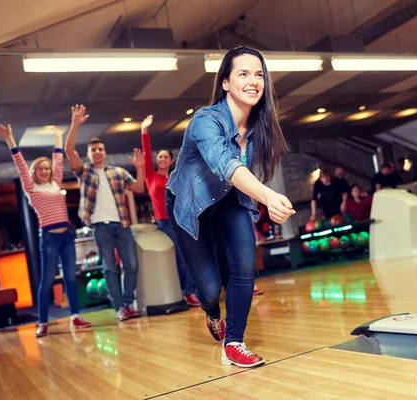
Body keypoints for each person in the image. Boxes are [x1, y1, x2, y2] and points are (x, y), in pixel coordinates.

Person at [165, 46, 295, 368]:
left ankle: (234, 341)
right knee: (209, 289)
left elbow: (241, 176)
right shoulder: (204, 122)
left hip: (229, 202)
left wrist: (262, 197)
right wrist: (267, 196)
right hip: (189, 206)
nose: (253, 81)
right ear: (225, 82)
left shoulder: (257, 129)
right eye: (243, 74)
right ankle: (211, 313)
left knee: (244, 266)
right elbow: (225, 164)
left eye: (259, 74)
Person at [0, 122, 91, 337]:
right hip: (48, 237)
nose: (46, 171)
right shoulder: (31, 188)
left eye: (47, 168)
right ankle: (43, 322)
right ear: (35, 172)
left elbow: (58, 158)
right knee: (46, 281)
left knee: (70, 278)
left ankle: (75, 316)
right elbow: (19, 163)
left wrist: (58, 137)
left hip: (66, 235)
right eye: (41, 169)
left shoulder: (56, 183)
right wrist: (9, 138)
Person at [65, 104, 145, 321]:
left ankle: (128, 304)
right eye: (93, 150)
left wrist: (139, 167)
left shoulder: (118, 173)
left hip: (122, 225)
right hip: (101, 227)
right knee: (110, 268)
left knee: (131, 265)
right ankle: (119, 308)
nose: (97, 152)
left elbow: (138, 188)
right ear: (89, 155)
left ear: (105, 153)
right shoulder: (84, 173)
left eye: (100, 149)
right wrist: (74, 125)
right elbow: (69, 151)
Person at [140, 115, 200, 307]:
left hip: (183, 219)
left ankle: (196, 290)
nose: (163, 159)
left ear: (171, 160)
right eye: (160, 157)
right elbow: (146, 154)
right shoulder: (151, 176)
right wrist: (144, 131)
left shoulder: (177, 177)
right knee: (182, 256)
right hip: (165, 222)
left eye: (166, 156)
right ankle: (188, 292)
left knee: (194, 254)